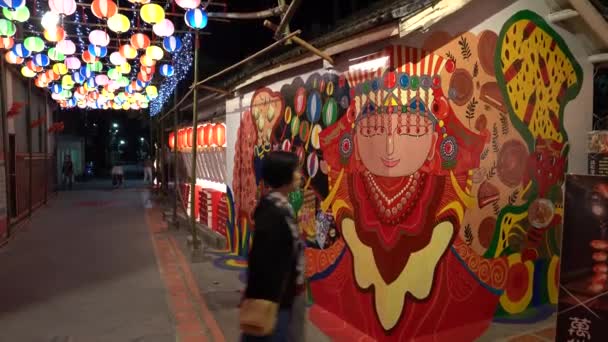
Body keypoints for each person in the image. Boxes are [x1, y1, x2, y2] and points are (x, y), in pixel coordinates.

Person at [241, 151, 306, 342]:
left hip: (286, 299)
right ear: (283, 175)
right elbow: (260, 263)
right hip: (275, 304)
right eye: (295, 170)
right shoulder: (273, 214)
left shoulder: (281, 208)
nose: (299, 175)